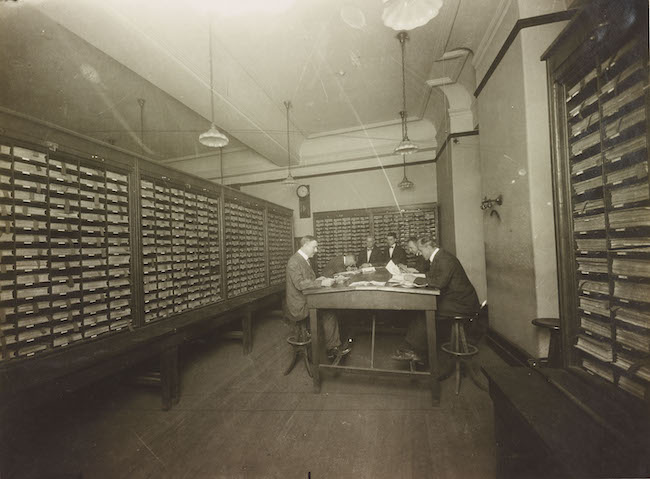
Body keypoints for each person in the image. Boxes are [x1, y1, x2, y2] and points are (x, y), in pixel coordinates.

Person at [393, 235, 480, 361]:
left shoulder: (444, 259)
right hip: (455, 299)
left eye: (421, 250)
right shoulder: (440, 257)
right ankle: (414, 349)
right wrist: (416, 276)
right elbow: (432, 275)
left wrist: (415, 279)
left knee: (425, 311)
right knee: (423, 309)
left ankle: (416, 352)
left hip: (463, 304)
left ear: (428, 247)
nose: (421, 254)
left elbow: (439, 282)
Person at [285, 235, 351, 360]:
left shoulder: (304, 260)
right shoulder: (294, 261)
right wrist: (321, 283)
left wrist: (323, 279)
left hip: (307, 298)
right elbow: (300, 284)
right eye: (314, 247)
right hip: (300, 305)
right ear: (305, 245)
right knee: (329, 312)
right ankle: (332, 349)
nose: (316, 250)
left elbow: (308, 280)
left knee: (330, 310)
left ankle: (332, 347)